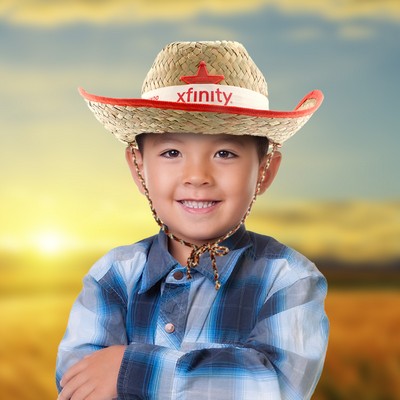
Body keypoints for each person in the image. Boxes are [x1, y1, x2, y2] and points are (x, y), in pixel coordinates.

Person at [56, 40, 329, 400]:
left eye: (224, 152)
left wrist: (130, 369)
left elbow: (277, 386)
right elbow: (79, 383)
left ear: (264, 170)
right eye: (171, 152)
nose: (197, 175)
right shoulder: (113, 277)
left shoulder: (288, 278)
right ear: (138, 169)